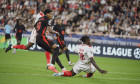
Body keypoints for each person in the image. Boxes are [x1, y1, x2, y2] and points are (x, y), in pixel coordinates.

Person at [35, 9, 67, 73]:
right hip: (42, 38)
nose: (52, 15)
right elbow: (50, 30)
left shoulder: (40, 19)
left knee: (53, 52)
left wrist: (39, 31)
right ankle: (52, 65)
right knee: (57, 48)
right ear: (47, 14)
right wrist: (57, 33)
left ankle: (63, 68)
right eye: (51, 14)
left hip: (38, 39)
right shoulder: (46, 19)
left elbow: (35, 26)